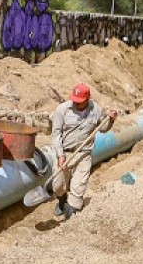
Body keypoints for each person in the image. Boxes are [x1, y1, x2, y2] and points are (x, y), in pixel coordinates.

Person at [50, 83, 118, 220]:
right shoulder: (62, 110)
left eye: (80, 102)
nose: (76, 104)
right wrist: (60, 155)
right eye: (74, 100)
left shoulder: (96, 110)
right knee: (57, 186)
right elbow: (56, 134)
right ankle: (62, 201)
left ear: (87, 99)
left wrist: (110, 120)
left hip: (84, 153)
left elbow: (103, 128)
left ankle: (71, 217)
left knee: (78, 189)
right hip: (64, 152)